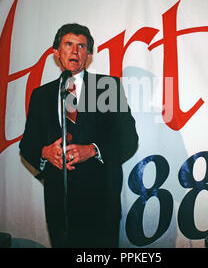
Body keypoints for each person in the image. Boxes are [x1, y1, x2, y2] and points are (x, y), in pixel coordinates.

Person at [19, 23, 138, 247]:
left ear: (89, 54)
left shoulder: (107, 87)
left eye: (81, 46)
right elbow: (28, 144)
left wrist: (92, 150)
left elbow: (129, 138)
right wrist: (44, 152)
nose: (75, 51)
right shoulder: (41, 95)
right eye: (68, 44)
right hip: (59, 207)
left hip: (101, 202)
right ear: (56, 53)